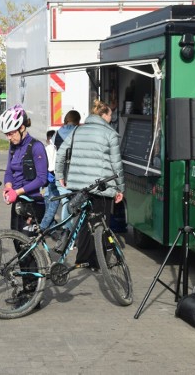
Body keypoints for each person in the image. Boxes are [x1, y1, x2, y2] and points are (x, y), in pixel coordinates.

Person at [54, 99, 125, 269]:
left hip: (80, 186)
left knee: (84, 220)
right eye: (110, 115)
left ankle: (82, 258)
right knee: (101, 222)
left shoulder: (78, 130)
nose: (111, 118)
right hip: (102, 186)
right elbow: (117, 165)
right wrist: (121, 188)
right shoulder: (110, 134)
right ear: (103, 115)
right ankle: (96, 262)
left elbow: (62, 152)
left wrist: (59, 176)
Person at [0, 105, 48, 302]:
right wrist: (8, 186)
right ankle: (28, 288)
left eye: (10, 133)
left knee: (29, 248)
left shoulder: (35, 147)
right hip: (18, 202)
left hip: (33, 203)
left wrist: (18, 191)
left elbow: (42, 179)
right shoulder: (14, 146)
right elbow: (9, 170)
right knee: (19, 245)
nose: (8, 138)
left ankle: (33, 294)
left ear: (21, 128)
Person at [53, 110, 82, 233]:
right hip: (74, 173)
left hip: (60, 172)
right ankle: (72, 232)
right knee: (75, 203)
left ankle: (66, 232)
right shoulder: (77, 132)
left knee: (65, 202)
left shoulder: (57, 134)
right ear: (77, 120)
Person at [39, 129, 60, 233]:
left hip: (45, 181)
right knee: (53, 204)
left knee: (48, 204)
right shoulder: (56, 148)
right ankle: (44, 227)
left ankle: (50, 228)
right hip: (53, 179)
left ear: (47, 139)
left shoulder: (46, 148)